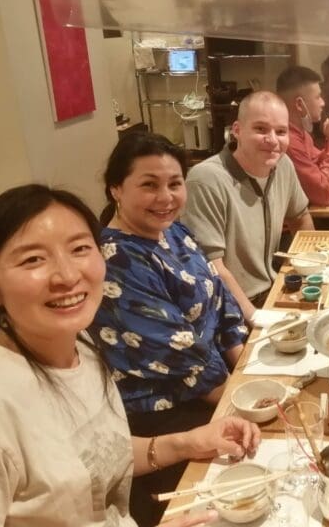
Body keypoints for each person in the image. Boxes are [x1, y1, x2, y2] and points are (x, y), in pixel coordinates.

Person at [0, 184, 261, 526]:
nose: (68, 275)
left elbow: (100, 455)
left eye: (80, 249)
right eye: (32, 259)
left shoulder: (82, 345)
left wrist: (187, 443)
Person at [88, 132, 250, 525]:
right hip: (165, 416)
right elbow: (179, 354)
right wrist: (241, 400)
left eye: (175, 184)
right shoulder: (117, 260)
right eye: (149, 185)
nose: (165, 197)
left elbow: (220, 299)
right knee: (244, 494)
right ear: (115, 189)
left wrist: (247, 369)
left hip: (216, 386)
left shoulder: (173, 230)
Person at [183, 91, 314, 322]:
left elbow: (300, 215)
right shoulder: (206, 179)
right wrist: (254, 317)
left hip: (275, 287)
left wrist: (311, 268)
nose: (272, 140)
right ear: (237, 130)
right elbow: (211, 266)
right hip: (231, 308)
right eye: (261, 129)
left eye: (281, 131)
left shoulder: (283, 165)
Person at [276, 65, 329, 206]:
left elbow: (318, 163)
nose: (323, 103)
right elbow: (324, 193)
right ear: (299, 104)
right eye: (318, 97)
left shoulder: (301, 134)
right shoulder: (289, 142)